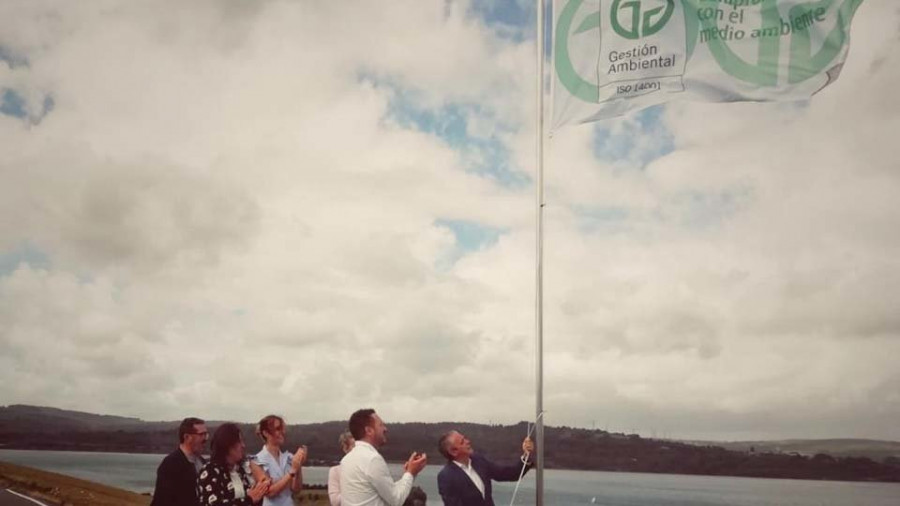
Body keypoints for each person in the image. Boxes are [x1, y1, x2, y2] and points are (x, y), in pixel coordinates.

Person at [340, 408, 428, 506]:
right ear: (369, 430)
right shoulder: (372, 459)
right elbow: (396, 500)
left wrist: (409, 473)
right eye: (381, 425)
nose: (385, 429)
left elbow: (388, 492)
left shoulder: (346, 460)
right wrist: (411, 473)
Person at [437, 430, 535, 506]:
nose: (468, 441)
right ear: (453, 451)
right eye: (462, 442)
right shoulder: (446, 477)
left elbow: (508, 474)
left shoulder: (478, 460)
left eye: (465, 438)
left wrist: (526, 455)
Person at [198, 423, 270, 506]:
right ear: (228, 445)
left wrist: (260, 493)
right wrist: (249, 500)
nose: (243, 445)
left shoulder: (240, 470)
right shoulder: (210, 471)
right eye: (239, 441)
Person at [248, 415, 306, 506]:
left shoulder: (288, 457)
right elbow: (270, 492)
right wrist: (292, 471)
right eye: (278, 429)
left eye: (282, 428)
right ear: (266, 433)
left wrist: (298, 465)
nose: (282, 432)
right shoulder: (256, 460)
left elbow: (296, 489)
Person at [150, 417, 208, 506]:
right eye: (201, 435)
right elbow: (162, 501)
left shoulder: (203, 463)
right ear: (187, 437)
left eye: (206, 434)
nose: (205, 439)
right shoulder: (170, 465)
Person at [328, 431, 355, 506]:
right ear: (345, 448)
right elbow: (335, 501)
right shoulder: (335, 471)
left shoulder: (370, 469)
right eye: (354, 446)